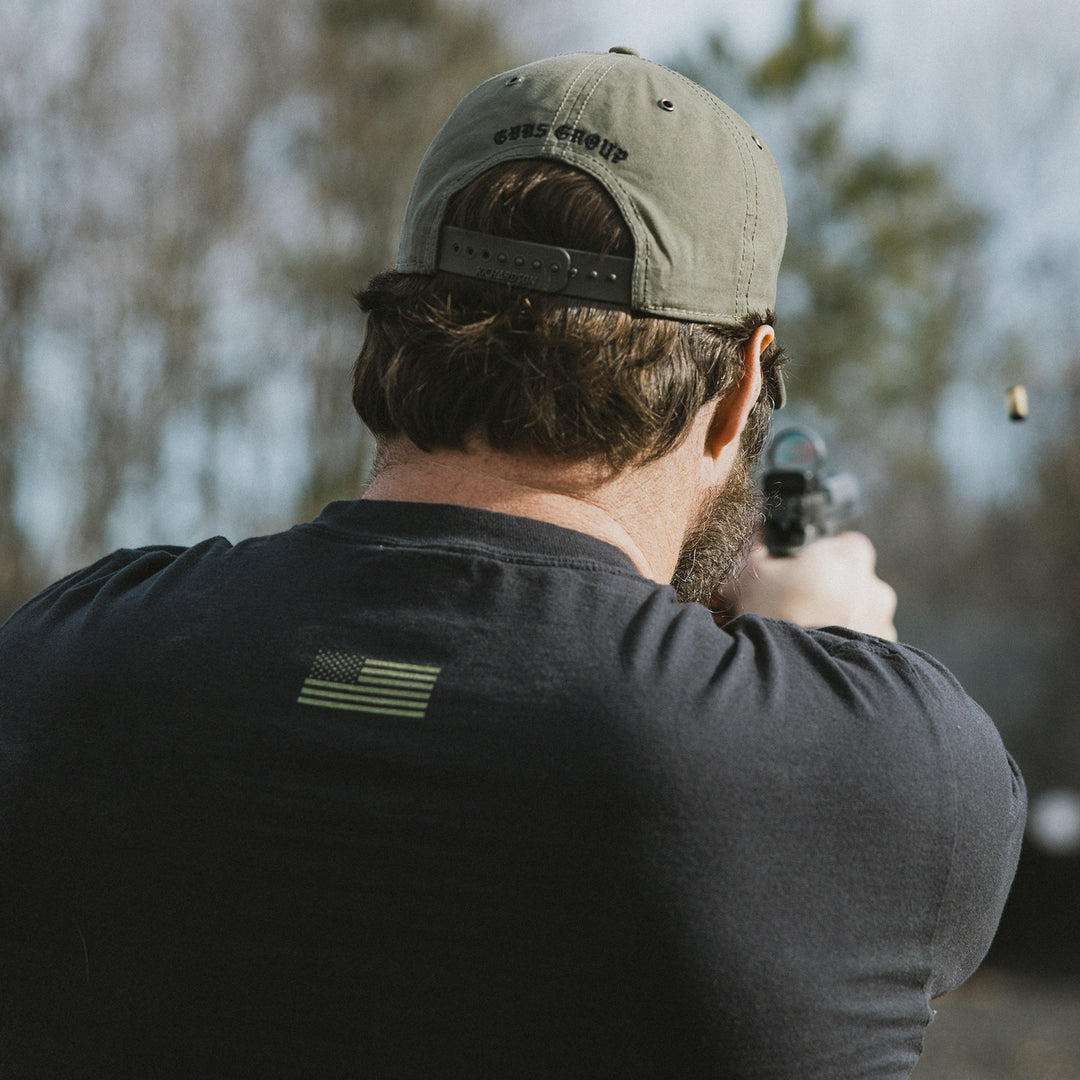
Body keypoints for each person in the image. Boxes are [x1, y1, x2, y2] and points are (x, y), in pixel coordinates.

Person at [0, 48, 1024, 1079]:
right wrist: (831, 650)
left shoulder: (68, 657)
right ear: (741, 389)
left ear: (389, 331)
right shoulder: (893, 766)